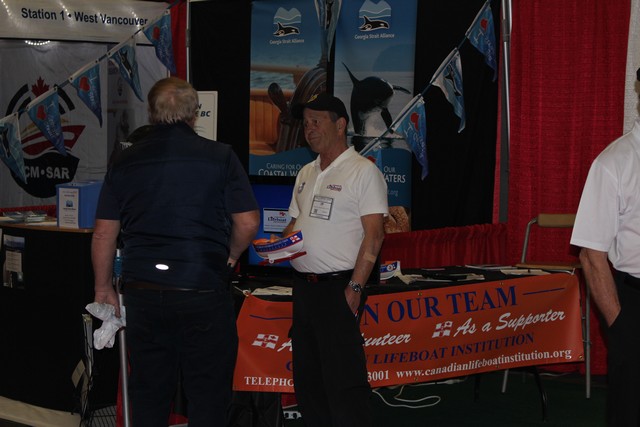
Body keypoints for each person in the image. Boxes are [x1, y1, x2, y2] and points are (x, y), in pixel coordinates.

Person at [91, 77, 260, 426]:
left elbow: (104, 233)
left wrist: (102, 287)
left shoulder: (124, 161)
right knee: (208, 395)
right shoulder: (220, 156)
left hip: (144, 291)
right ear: (194, 113)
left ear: (152, 113)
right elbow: (247, 223)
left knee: (149, 392)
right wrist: (230, 256)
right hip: (201, 288)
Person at [283, 92, 388, 426]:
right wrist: (275, 246)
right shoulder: (306, 172)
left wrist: (355, 287)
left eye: (317, 121)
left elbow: (375, 235)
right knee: (308, 379)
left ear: (341, 124)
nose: (309, 129)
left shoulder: (362, 172)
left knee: (343, 380)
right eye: (305, 123)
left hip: (339, 287)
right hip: (304, 289)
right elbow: (293, 226)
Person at [570, 68, 640, 427]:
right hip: (635, 304)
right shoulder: (614, 162)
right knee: (631, 410)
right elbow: (591, 255)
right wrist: (620, 326)